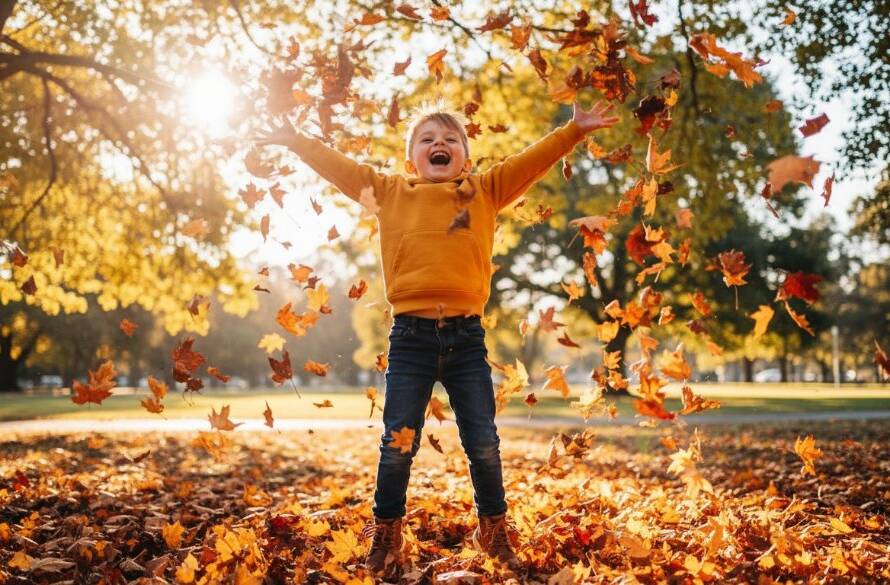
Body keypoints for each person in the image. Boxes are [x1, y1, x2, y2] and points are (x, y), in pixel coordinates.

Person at [254, 98, 619, 573]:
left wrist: (573, 131)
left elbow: (529, 161)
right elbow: (342, 169)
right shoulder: (389, 192)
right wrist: (299, 142)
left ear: (466, 158)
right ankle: (387, 533)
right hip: (411, 339)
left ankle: (493, 530)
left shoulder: (484, 190)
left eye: (450, 139)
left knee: (483, 442)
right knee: (397, 444)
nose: (439, 144)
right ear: (412, 160)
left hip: (466, 340)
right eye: (427, 139)